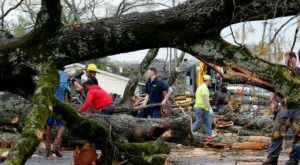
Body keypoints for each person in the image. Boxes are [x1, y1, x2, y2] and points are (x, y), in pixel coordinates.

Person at [263, 52, 300, 165]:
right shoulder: (281, 74)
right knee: (276, 133)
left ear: (295, 60)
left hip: (298, 109)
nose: (289, 61)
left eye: (291, 59)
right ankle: (272, 159)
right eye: (287, 59)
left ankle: (293, 160)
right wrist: (272, 102)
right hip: (284, 108)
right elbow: (274, 88)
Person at [45, 69, 69, 157]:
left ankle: (48, 150)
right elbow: (66, 88)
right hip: (60, 104)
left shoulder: (49, 72)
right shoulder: (64, 75)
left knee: (48, 126)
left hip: (50, 103)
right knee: (62, 125)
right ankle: (55, 146)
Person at [192, 75, 213, 140]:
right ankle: (190, 131)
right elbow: (205, 98)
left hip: (202, 108)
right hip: (200, 108)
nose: (211, 82)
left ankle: (209, 136)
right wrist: (210, 108)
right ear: (208, 80)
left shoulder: (200, 87)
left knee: (208, 121)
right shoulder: (204, 88)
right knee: (199, 122)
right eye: (210, 81)